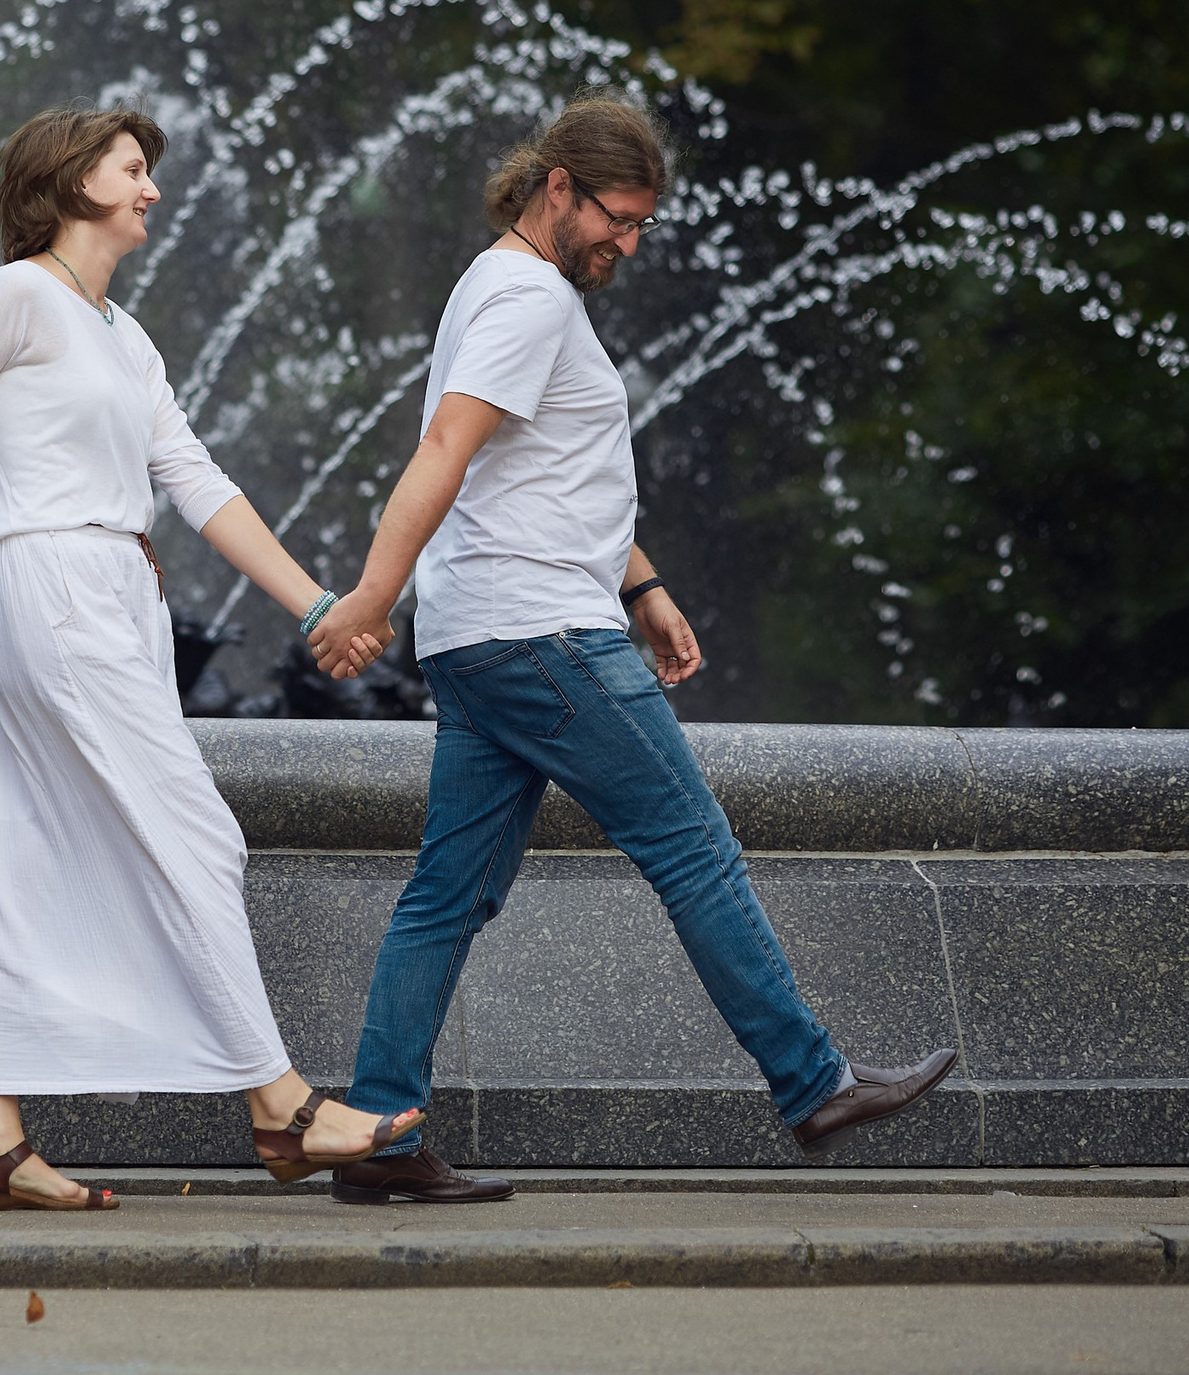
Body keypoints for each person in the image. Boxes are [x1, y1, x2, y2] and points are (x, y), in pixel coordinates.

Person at [306, 96, 957, 1205]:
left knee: (446, 894)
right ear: (555, 187)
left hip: (483, 633)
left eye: (644, 223)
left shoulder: (498, 284)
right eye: (617, 216)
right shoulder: (528, 298)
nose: (630, 242)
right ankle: (814, 1082)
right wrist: (371, 593)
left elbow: (547, 470)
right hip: (543, 633)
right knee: (693, 845)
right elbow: (446, 449)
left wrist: (642, 584)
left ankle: (378, 1129)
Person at [0, 106, 423, 1213]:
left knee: (28, 851)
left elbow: (198, 480)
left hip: (107, 588)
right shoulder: (12, 295)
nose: (152, 190)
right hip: (51, 582)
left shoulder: (124, 334)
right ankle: (280, 1107)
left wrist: (320, 605)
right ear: (76, 181)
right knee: (195, 831)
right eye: (134, 170)